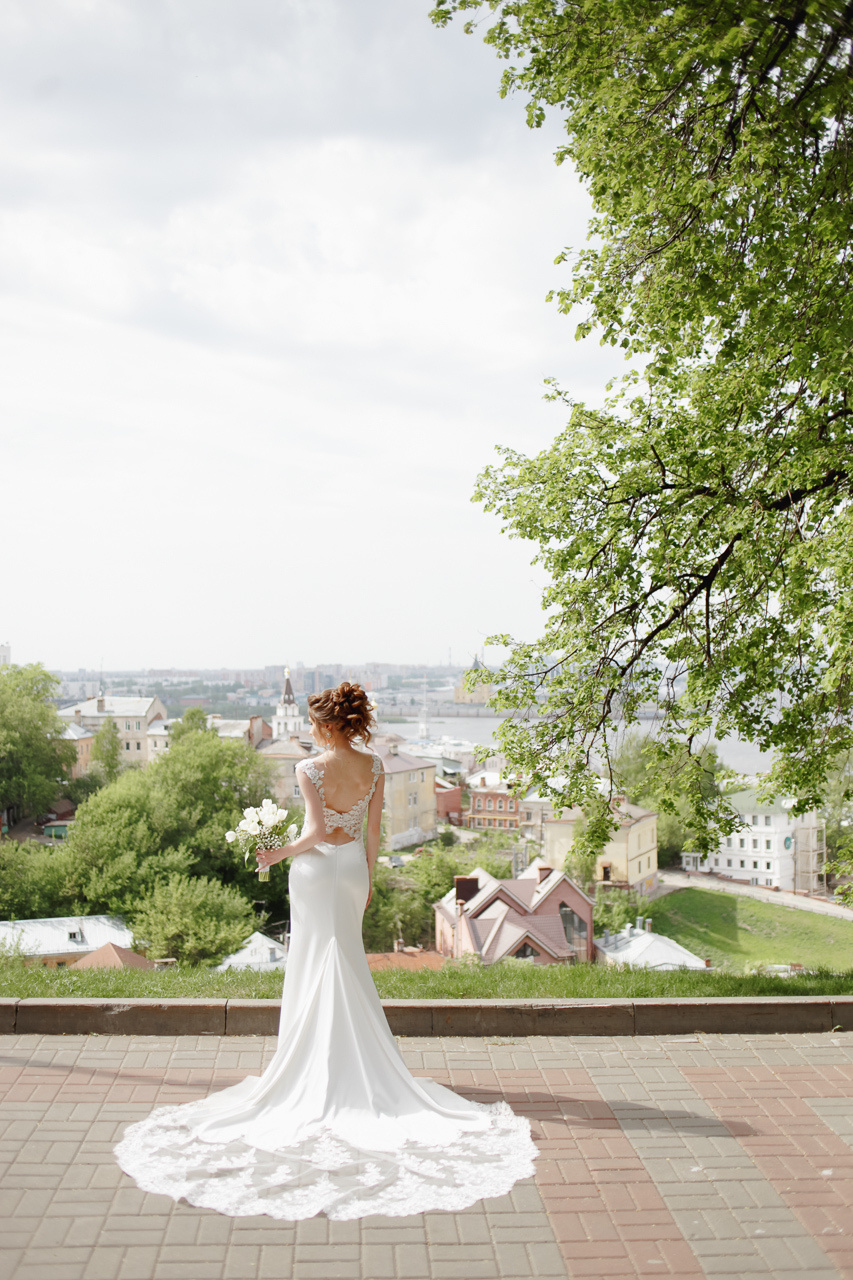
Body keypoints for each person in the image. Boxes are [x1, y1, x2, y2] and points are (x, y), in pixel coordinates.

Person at [115, 681, 536, 1221]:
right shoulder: (377, 767)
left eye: (316, 722)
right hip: (353, 871)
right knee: (348, 962)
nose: (312, 729)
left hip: (314, 872)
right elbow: (373, 832)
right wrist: (366, 883)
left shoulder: (308, 768)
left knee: (312, 961)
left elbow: (314, 832)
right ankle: (357, 1062)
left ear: (328, 724)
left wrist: (275, 852)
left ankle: (310, 1064)